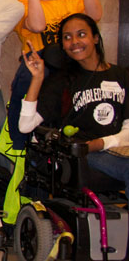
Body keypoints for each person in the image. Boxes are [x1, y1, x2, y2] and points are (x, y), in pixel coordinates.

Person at [19, 13, 129, 194]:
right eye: (67, 37)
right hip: (80, 153)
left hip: (114, 148)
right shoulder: (62, 80)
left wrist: (101, 143)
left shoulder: (121, 76)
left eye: (81, 34)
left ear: (95, 38)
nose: (75, 42)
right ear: (62, 45)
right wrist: (37, 78)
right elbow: (25, 126)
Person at [6, 0, 102, 150]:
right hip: (38, 69)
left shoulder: (73, 4)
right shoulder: (21, 5)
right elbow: (37, 25)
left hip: (71, 66)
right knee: (35, 65)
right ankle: (18, 143)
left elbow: (95, 16)